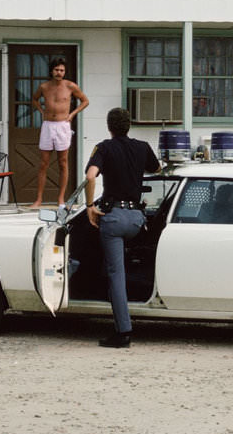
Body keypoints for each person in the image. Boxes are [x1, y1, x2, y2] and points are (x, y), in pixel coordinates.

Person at [85, 107, 161, 348]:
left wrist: (89, 206)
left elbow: (90, 176)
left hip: (115, 220)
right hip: (138, 219)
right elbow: (157, 170)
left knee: (116, 275)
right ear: (129, 126)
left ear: (109, 127)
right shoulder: (142, 147)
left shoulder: (104, 148)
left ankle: (123, 332)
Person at [30, 58, 89, 208]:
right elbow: (35, 99)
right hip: (48, 125)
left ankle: (61, 199)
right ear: (51, 71)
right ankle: (38, 199)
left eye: (62, 70)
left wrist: (72, 114)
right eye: (56, 70)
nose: (59, 73)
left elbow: (85, 101)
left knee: (63, 162)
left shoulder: (70, 86)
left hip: (63, 125)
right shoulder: (44, 86)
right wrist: (42, 111)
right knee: (44, 163)